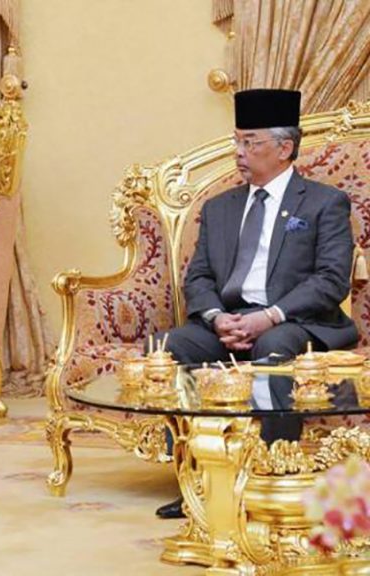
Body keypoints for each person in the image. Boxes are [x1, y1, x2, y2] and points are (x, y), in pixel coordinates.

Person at [152, 89, 358, 519]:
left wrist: (269, 316)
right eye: (237, 141)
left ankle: (270, 473)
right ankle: (195, 481)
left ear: (284, 148)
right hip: (229, 320)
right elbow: (199, 277)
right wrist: (216, 317)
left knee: (274, 346)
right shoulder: (219, 208)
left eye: (250, 142)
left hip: (295, 320)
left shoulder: (323, 203)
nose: (239, 152)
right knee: (169, 347)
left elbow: (331, 280)